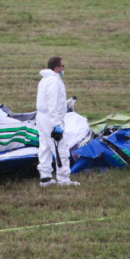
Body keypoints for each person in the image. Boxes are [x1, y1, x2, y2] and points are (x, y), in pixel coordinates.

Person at [36, 56, 80, 187]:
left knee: (44, 147)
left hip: (42, 117)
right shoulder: (54, 82)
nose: (64, 68)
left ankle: (45, 178)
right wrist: (56, 124)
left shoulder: (44, 80)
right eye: (62, 66)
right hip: (51, 119)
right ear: (56, 68)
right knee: (60, 148)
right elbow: (52, 104)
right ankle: (63, 179)